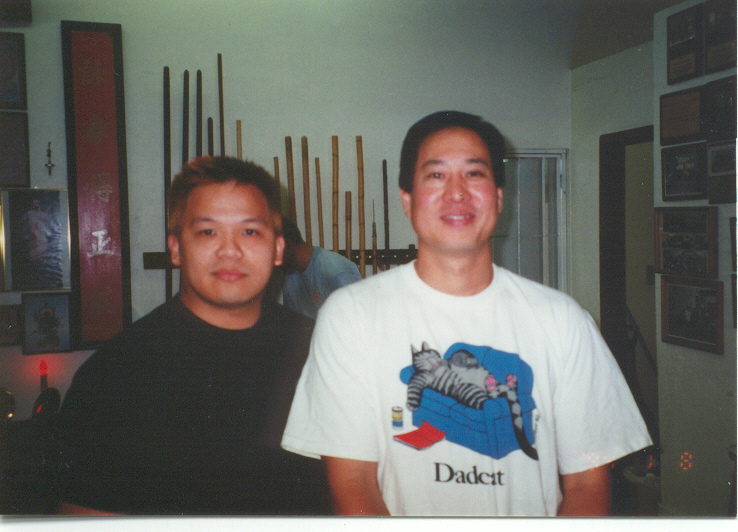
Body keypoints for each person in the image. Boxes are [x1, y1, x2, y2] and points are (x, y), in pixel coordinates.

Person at [281, 111, 652, 516]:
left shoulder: (564, 321)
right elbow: (353, 481)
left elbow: (587, 483)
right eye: (436, 175)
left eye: (474, 174)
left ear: (498, 197)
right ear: (407, 200)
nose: (456, 193)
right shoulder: (350, 316)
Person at [52, 156, 331, 515]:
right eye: (207, 232)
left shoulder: (324, 349)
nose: (230, 250)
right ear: (175, 248)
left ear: (278, 249)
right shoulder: (115, 375)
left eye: (250, 231)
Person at [279, 217, 362, 319]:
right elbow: (293, 325)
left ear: (286, 245)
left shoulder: (336, 272)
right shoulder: (290, 280)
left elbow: (357, 321)